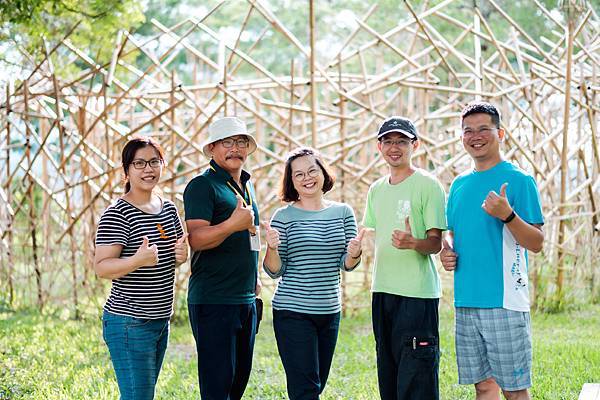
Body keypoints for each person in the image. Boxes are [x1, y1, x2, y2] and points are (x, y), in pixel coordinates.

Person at [440, 102, 544, 400]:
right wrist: (446, 252)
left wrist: (508, 215)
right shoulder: (459, 185)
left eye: (483, 129)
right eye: (468, 131)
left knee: (514, 390)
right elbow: (453, 233)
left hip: (505, 300)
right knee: (484, 387)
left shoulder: (520, 180)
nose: (475, 136)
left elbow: (536, 242)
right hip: (466, 300)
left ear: (500, 133)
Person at [262, 147, 364, 400]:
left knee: (317, 384)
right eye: (298, 175)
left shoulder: (343, 212)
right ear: (292, 182)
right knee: (305, 389)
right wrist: (272, 247)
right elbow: (274, 270)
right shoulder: (283, 217)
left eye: (312, 170)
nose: (307, 178)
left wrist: (354, 252)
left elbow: (347, 264)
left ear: (322, 173)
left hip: (329, 311)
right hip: (292, 311)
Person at [94, 136, 188, 400]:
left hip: (160, 321)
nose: (148, 169)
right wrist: (137, 260)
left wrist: (181, 255)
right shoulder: (118, 213)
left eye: (154, 162)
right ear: (126, 171)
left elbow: (178, 252)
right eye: (139, 163)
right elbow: (101, 267)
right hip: (129, 322)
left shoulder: (168, 209)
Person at [362, 116, 447, 400]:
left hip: (417, 295)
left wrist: (414, 242)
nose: (394, 147)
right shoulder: (376, 189)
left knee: (417, 374)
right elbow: (372, 229)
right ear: (379, 146)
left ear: (415, 145)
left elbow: (436, 243)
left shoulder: (428, 185)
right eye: (388, 141)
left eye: (402, 141)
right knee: (388, 371)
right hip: (382, 291)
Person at [183, 116, 261, 400]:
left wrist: (256, 279)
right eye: (227, 142)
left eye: (241, 142)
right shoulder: (202, 186)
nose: (235, 149)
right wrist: (231, 224)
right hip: (214, 300)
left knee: (238, 384)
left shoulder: (246, 185)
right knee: (217, 387)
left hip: (245, 298)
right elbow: (196, 239)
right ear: (213, 148)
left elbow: (251, 235)